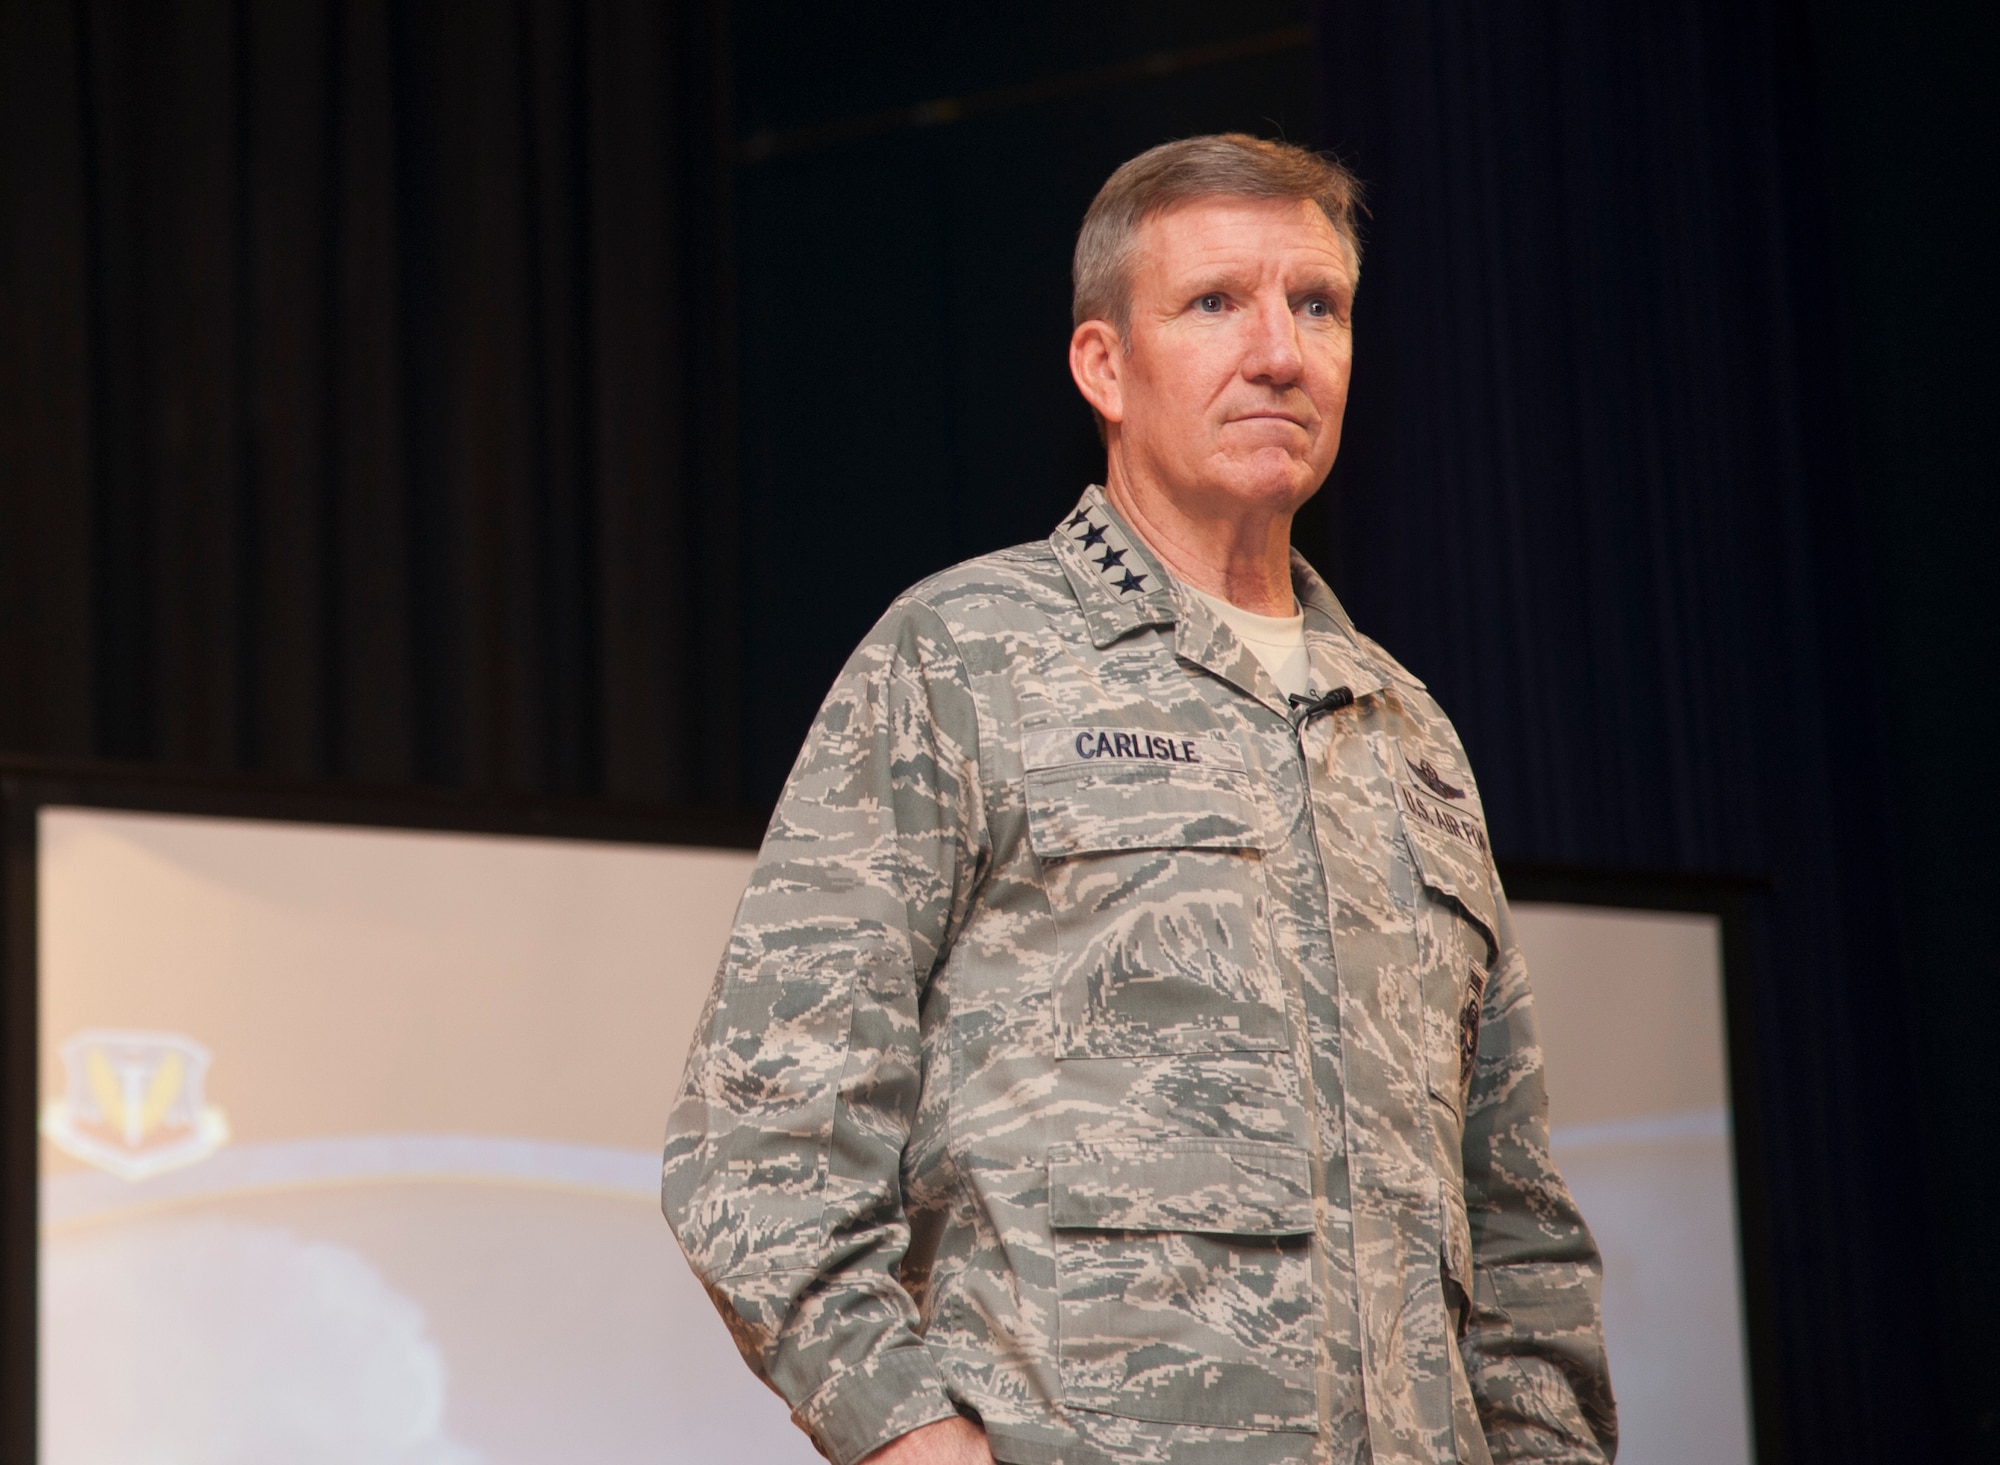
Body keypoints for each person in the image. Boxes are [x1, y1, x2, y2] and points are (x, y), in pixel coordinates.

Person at [663, 134, 1617, 1465]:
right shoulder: (963, 655)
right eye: (1216, 302)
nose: (1279, 351)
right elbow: (763, 1133)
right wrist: (911, 1441)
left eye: (1318, 305)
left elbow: (1515, 1222)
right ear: (1104, 364)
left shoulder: (1410, 735)